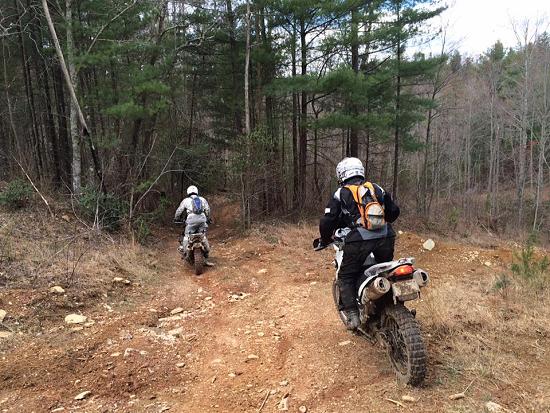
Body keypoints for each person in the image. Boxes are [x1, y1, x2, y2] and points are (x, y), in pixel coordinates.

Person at [319, 157, 400, 330]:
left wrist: (325, 239)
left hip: (360, 240)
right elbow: (394, 211)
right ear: (360, 170)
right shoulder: (376, 188)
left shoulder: (341, 193)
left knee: (345, 275)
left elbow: (327, 222)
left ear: (341, 174)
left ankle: (353, 316)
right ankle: (390, 303)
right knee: (383, 269)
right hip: (386, 236)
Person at [174, 185, 211, 260]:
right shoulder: (202, 199)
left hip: (191, 221)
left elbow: (179, 211)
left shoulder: (186, 200)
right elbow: (207, 210)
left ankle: (185, 252)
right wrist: (208, 218)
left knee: (187, 236)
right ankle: (206, 252)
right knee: (203, 236)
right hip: (202, 220)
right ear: (197, 192)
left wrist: (176, 218)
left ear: (188, 192)